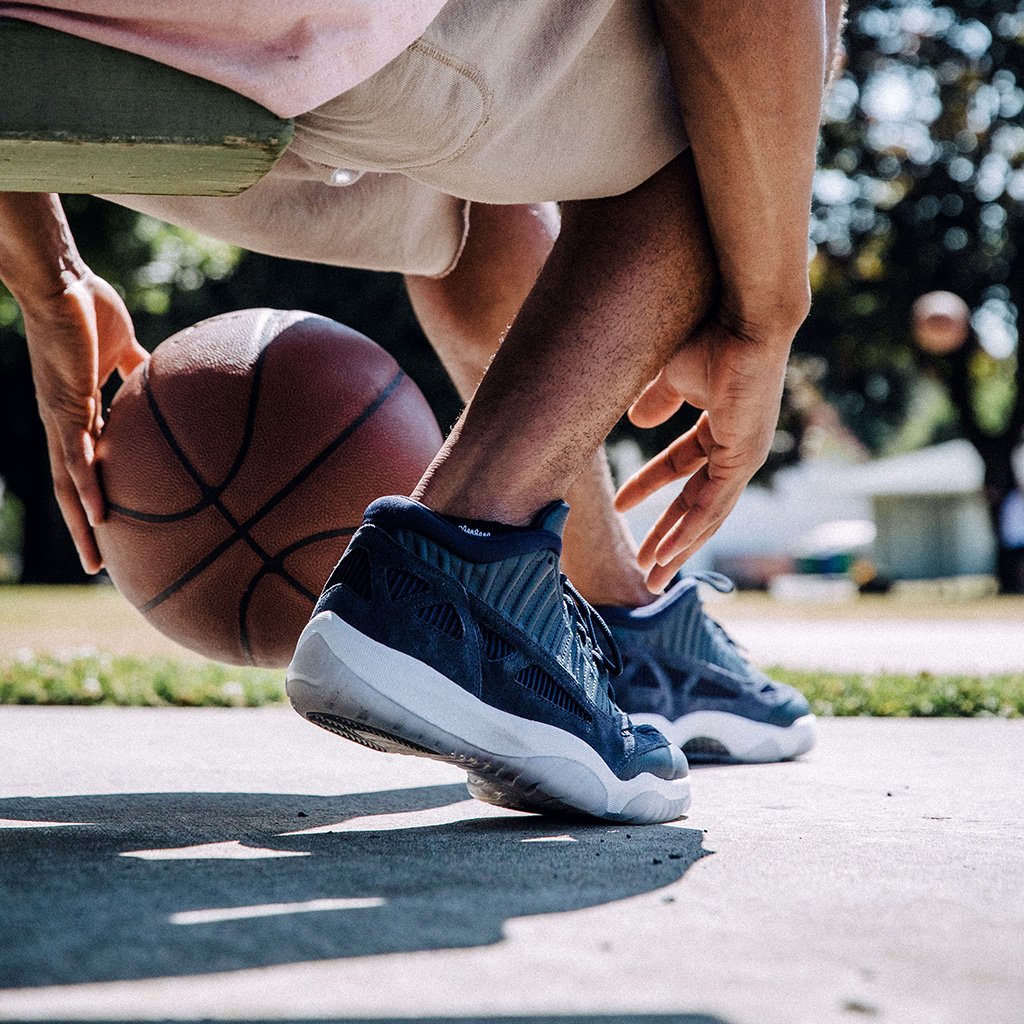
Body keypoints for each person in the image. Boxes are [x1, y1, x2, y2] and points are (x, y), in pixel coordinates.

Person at [0, 0, 842, 821]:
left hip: (60, 44)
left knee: (487, 189)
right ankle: (467, 560)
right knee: (742, 96)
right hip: (271, 29)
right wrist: (764, 318)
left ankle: (615, 619)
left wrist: (50, 277)